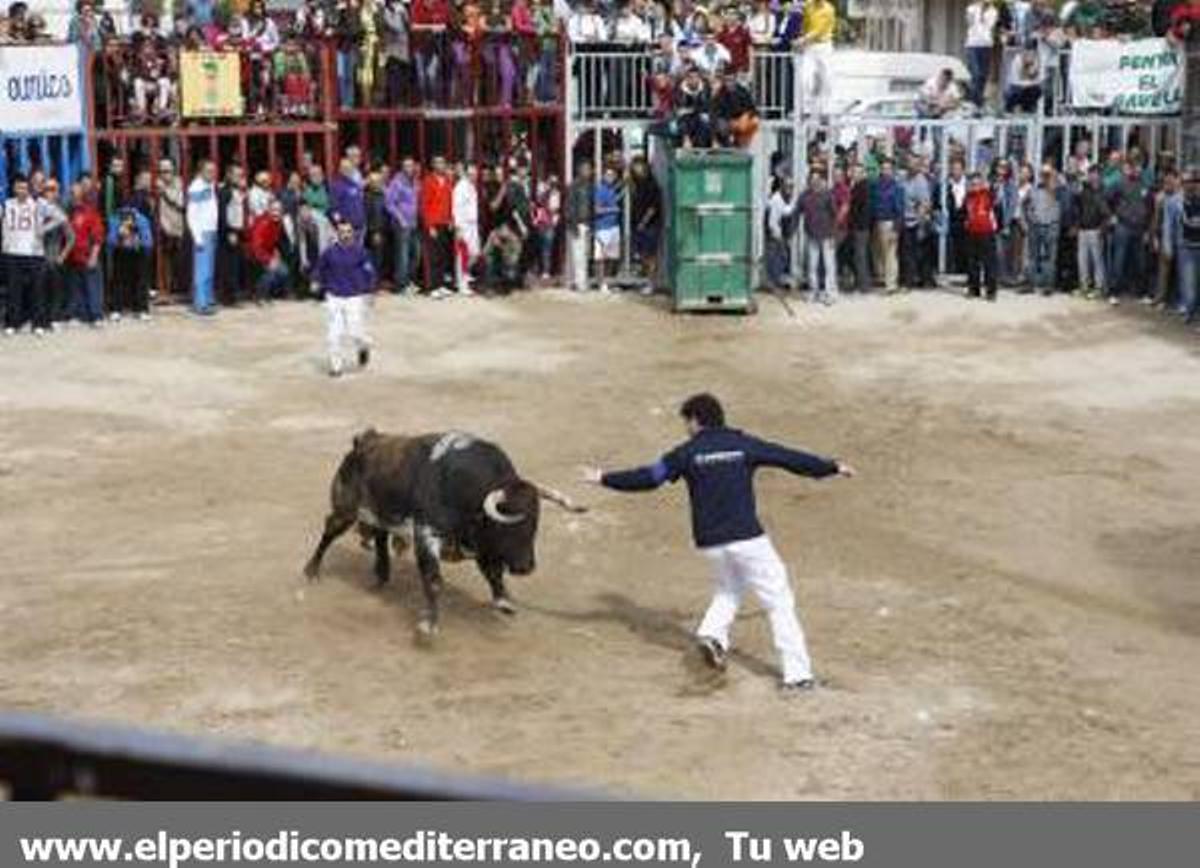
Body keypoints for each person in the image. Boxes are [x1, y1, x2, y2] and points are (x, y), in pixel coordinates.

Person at [581, 393, 856, 693]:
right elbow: (788, 458)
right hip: (748, 538)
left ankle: (712, 636)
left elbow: (649, 477)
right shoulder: (743, 444)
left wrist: (604, 478)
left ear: (695, 421)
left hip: (711, 542)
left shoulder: (687, 453)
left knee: (729, 589)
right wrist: (831, 467)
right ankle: (797, 676)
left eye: (686, 422)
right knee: (779, 601)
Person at [314, 217, 375, 377]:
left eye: (348, 232)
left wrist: (369, 292)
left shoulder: (361, 252)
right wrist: (315, 282)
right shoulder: (329, 252)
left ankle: (363, 346)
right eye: (342, 232)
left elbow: (369, 273)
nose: (346, 235)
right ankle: (336, 367)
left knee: (355, 332)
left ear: (353, 233)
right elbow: (320, 269)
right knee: (334, 334)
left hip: (354, 297)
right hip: (334, 297)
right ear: (337, 234)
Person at [1, 176, 48, 336]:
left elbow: (60, 218)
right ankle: (12, 323)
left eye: (24, 187)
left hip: (34, 253)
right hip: (12, 253)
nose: (22, 191)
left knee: (37, 290)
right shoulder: (6, 205)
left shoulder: (38, 205)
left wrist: (44, 229)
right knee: (14, 290)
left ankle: (38, 324)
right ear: (14, 189)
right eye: (18, 187)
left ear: (28, 189)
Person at [1107, 160, 1152, 305]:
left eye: (1140, 167)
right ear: (1130, 169)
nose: (1137, 170)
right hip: (1123, 226)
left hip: (1140, 228)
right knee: (1118, 261)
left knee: (1140, 262)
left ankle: (1141, 293)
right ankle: (1114, 293)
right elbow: (1106, 198)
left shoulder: (1145, 185)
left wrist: (1147, 229)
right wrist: (1112, 215)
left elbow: (1150, 207)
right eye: (1135, 167)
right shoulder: (1120, 183)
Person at [63, 179, 106, 326]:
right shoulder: (68, 213)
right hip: (73, 258)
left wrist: (94, 256)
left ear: (81, 194)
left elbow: (98, 236)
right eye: (71, 193)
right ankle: (78, 315)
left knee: (93, 287)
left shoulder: (90, 212)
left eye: (75, 193)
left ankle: (97, 316)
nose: (72, 196)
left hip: (88, 256)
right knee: (75, 288)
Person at [107, 197, 154, 321]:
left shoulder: (141, 219)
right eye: (124, 211)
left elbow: (148, 241)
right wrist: (119, 235)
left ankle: (142, 309)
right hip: (121, 251)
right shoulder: (115, 219)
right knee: (119, 281)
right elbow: (111, 241)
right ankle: (116, 308)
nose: (127, 214)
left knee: (141, 281)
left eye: (129, 211)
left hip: (139, 252)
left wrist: (140, 244)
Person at [1024, 164, 1064, 295]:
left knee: (1049, 258)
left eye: (1048, 174)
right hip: (1035, 226)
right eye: (1043, 174)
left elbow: (1062, 202)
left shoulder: (1058, 190)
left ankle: (1048, 286)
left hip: (1051, 227)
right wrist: (1031, 219)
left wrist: (1052, 182)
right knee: (1032, 257)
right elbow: (1026, 206)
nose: (1045, 177)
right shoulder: (1034, 190)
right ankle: (1030, 284)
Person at [186, 159, 219, 316]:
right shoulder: (196, 187)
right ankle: (200, 304)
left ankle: (207, 299)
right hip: (203, 232)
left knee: (209, 270)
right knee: (202, 270)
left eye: (214, 170)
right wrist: (197, 237)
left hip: (211, 230)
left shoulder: (210, 185)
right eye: (209, 171)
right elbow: (192, 215)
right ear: (200, 171)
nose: (212, 174)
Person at [800, 170, 838, 304]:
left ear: (821, 181)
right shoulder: (804, 195)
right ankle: (813, 292)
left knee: (829, 266)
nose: (814, 182)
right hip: (812, 235)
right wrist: (791, 229)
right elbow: (797, 212)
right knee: (812, 266)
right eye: (812, 179)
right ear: (809, 181)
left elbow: (834, 215)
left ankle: (829, 293)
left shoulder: (828, 195)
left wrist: (834, 235)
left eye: (817, 179)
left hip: (827, 235)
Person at [1166, 167, 1199, 323]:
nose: (1189, 185)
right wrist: (1168, 246)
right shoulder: (1174, 201)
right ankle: (1188, 309)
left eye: (1192, 182)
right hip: (1185, 247)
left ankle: (1193, 309)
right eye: (1186, 182)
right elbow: (1168, 225)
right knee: (1188, 283)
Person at [420, 155, 456, 296]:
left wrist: (451, 219)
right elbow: (424, 205)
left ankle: (440, 284)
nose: (440, 165)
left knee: (442, 255)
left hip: (445, 223)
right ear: (433, 165)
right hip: (433, 223)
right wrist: (429, 225)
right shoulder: (428, 181)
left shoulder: (447, 181)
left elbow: (449, 203)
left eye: (442, 162)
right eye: (437, 163)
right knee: (432, 256)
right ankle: (432, 287)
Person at [1074, 165, 1111, 298]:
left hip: (1096, 229)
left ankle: (1099, 287)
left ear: (1100, 176)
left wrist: (1103, 228)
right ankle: (1084, 286)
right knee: (1082, 260)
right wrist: (1077, 225)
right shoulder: (1084, 190)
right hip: (1083, 229)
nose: (1092, 177)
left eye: (1095, 174)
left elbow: (1107, 213)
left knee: (1097, 260)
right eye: (1090, 174)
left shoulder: (1104, 192)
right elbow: (1078, 207)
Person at [385, 156, 421, 294]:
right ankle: (401, 285)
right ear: (402, 167)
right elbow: (389, 203)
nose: (409, 168)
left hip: (413, 223)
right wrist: (400, 219)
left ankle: (409, 281)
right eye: (406, 166)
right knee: (402, 255)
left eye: (411, 165)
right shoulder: (397, 182)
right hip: (402, 224)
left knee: (416, 254)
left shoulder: (414, 182)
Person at [963, 171, 998, 301]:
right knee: (972, 262)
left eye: (978, 183)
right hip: (972, 233)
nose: (975, 186)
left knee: (989, 263)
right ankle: (974, 288)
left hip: (987, 232)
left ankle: (991, 291)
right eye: (972, 183)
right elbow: (964, 213)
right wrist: (965, 222)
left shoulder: (989, 195)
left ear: (983, 184)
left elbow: (997, 207)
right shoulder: (968, 197)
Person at [246, 198, 290, 303]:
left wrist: (275, 252)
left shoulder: (278, 223)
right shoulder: (263, 223)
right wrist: (268, 260)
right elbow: (256, 247)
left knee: (284, 271)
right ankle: (259, 295)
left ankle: (269, 293)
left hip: (267, 254)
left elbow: (273, 242)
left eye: (279, 210)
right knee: (272, 270)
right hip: (253, 254)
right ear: (269, 210)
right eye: (274, 210)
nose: (276, 213)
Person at [870, 159, 904, 293]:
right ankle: (883, 278)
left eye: (888, 168)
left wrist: (896, 228)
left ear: (892, 171)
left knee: (890, 254)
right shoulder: (876, 185)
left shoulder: (896, 187)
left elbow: (900, 209)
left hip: (889, 222)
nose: (885, 171)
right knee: (878, 253)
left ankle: (891, 284)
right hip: (877, 222)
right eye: (883, 168)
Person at [156, 159, 186, 301]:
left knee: (179, 261)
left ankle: (178, 290)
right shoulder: (155, 184)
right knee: (163, 262)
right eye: (161, 171)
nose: (164, 175)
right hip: (162, 227)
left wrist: (166, 193)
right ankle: (164, 290)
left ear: (174, 170)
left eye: (167, 171)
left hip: (177, 227)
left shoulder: (180, 183)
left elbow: (182, 203)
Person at [217, 163, 247, 304]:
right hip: (229, 231)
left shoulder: (237, 191)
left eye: (241, 175)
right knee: (228, 266)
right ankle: (228, 297)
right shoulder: (225, 191)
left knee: (234, 265)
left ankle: (233, 295)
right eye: (236, 175)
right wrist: (229, 231)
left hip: (237, 231)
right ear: (228, 175)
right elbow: (222, 213)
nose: (239, 178)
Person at [592, 165, 622, 293]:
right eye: (608, 175)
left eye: (612, 175)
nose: (610, 177)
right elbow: (597, 209)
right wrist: (612, 209)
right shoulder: (600, 190)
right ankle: (601, 283)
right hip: (602, 228)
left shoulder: (613, 190)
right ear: (603, 176)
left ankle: (608, 282)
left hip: (613, 227)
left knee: (611, 257)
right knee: (601, 257)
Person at [452, 162, 481, 295]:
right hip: (463, 226)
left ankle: (464, 275)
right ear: (465, 172)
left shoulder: (472, 186)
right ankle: (461, 284)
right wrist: (458, 228)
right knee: (462, 255)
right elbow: (456, 208)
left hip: (473, 225)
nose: (473, 175)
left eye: (475, 173)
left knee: (474, 253)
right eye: (470, 173)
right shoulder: (460, 187)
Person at [964, 0, 998, 107]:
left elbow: (988, 26)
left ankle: (977, 101)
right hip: (973, 44)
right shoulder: (971, 8)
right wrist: (977, 10)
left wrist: (983, 12)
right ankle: (974, 100)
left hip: (986, 45)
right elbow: (970, 23)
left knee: (983, 75)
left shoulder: (993, 11)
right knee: (976, 73)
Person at [566, 161, 594, 291]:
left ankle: (581, 280)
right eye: (586, 169)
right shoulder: (575, 186)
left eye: (589, 169)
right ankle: (579, 282)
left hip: (587, 223)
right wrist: (573, 223)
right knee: (578, 254)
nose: (589, 171)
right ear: (580, 170)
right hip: (578, 223)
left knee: (585, 253)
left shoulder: (590, 186)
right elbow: (570, 206)